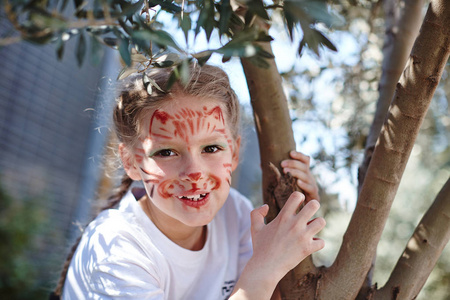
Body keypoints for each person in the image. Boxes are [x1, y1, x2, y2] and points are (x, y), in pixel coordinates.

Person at [52, 63, 325, 299]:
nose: (194, 174)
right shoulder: (115, 247)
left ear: (235, 152)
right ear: (132, 162)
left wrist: (297, 223)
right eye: (167, 152)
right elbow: (258, 284)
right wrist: (265, 269)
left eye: (211, 148)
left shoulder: (236, 215)